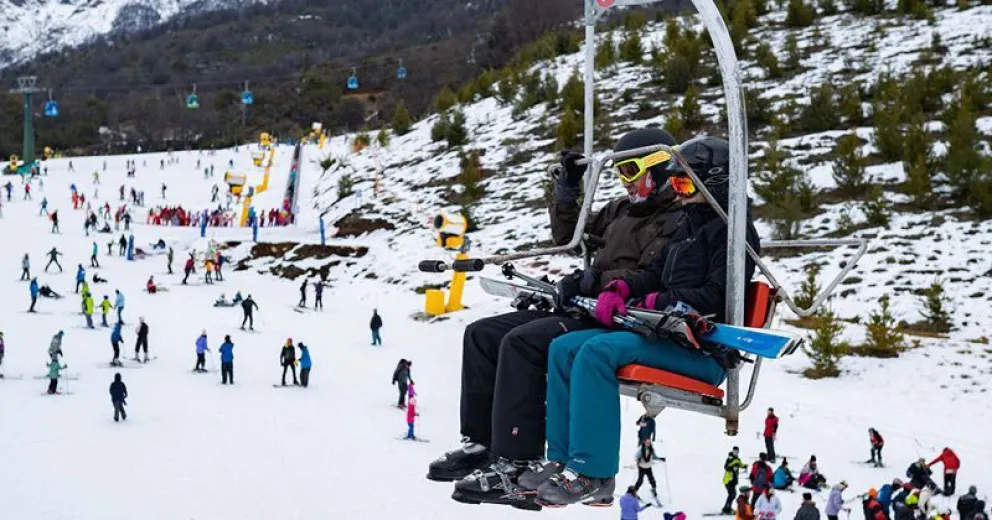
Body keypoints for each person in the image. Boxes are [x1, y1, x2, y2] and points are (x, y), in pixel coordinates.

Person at [428, 128, 685, 492]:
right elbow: (569, 237)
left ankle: (517, 461)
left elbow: (649, 273)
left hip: (622, 317)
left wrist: (590, 280)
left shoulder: (674, 220)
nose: (624, 183)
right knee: (482, 334)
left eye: (630, 171)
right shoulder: (619, 210)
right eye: (619, 173)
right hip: (586, 306)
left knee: (523, 343)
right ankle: (481, 443)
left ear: (658, 170)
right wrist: (567, 190)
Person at [529, 137, 760, 508]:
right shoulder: (687, 223)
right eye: (677, 184)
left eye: (685, 184)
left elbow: (719, 296)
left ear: (714, 183)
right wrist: (624, 287)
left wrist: (662, 301)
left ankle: (595, 473)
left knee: (596, 351)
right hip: (664, 333)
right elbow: (654, 271)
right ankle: (560, 458)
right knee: (563, 348)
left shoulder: (734, 234)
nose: (679, 193)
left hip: (703, 349)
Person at [723, 447, 747, 514]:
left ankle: (727, 508)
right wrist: (732, 468)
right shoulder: (730, 459)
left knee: (733, 494)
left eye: (737, 452)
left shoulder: (737, 459)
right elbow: (726, 467)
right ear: (732, 451)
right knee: (732, 494)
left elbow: (740, 464)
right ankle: (726, 509)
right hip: (728, 480)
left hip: (733, 480)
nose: (735, 453)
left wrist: (744, 466)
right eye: (734, 452)